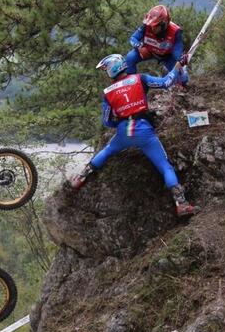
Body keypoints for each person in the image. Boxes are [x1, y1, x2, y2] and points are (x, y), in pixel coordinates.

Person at [70, 54, 197, 217]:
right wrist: (178, 66)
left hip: (123, 132)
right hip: (144, 131)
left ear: (111, 69)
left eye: (106, 69)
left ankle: (80, 178)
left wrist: (120, 123)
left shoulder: (107, 92)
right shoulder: (140, 79)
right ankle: (181, 204)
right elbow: (166, 82)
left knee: (108, 150)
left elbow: (107, 121)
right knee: (165, 167)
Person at [125, 4, 189, 76]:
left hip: (166, 56)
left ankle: (174, 77)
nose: (152, 28)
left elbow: (177, 51)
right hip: (148, 51)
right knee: (130, 58)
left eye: (155, 26)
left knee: (182, 76)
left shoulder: (175, 31)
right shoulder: (147, 25)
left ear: (164, 24)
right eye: (151, 25)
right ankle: (131, 80)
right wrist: (140, 47)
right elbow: (133, 38)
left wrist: (181, 58)